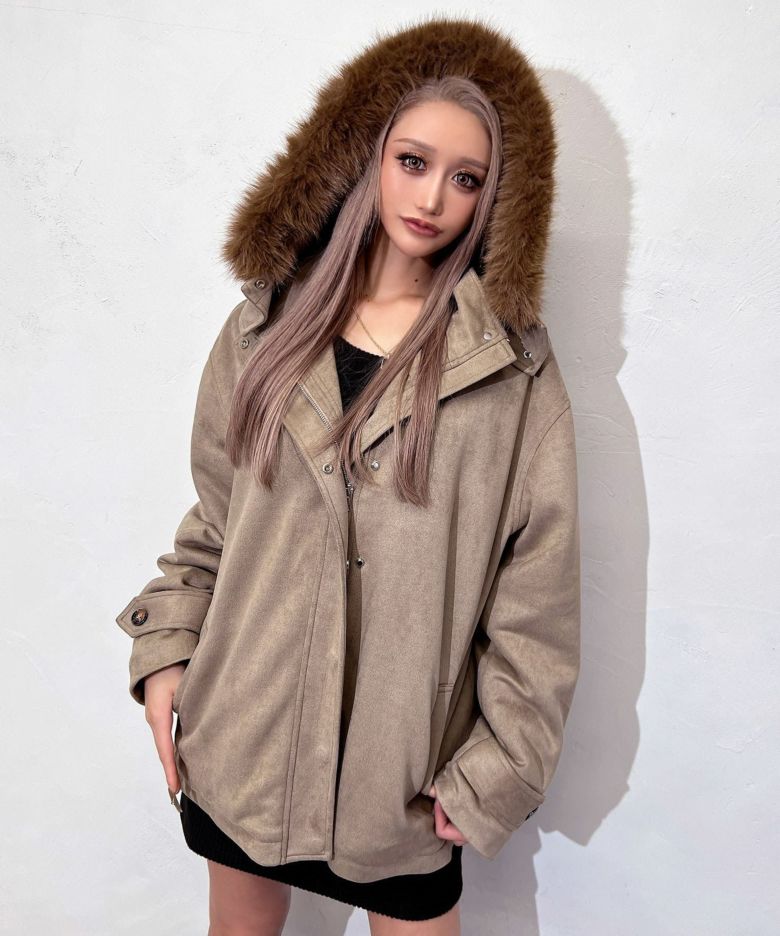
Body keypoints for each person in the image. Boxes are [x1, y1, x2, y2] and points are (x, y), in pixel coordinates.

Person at [115, 16, 581, 936]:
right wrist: (167, 647)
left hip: (399, 781)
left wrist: (496, 772)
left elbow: (539, 600)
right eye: (413, 161)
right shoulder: (263, 330)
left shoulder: (511, 372)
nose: (433, 197)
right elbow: (216, 524)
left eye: (467, 178)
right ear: (365, 156)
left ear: (497, 199)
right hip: (241, 742)